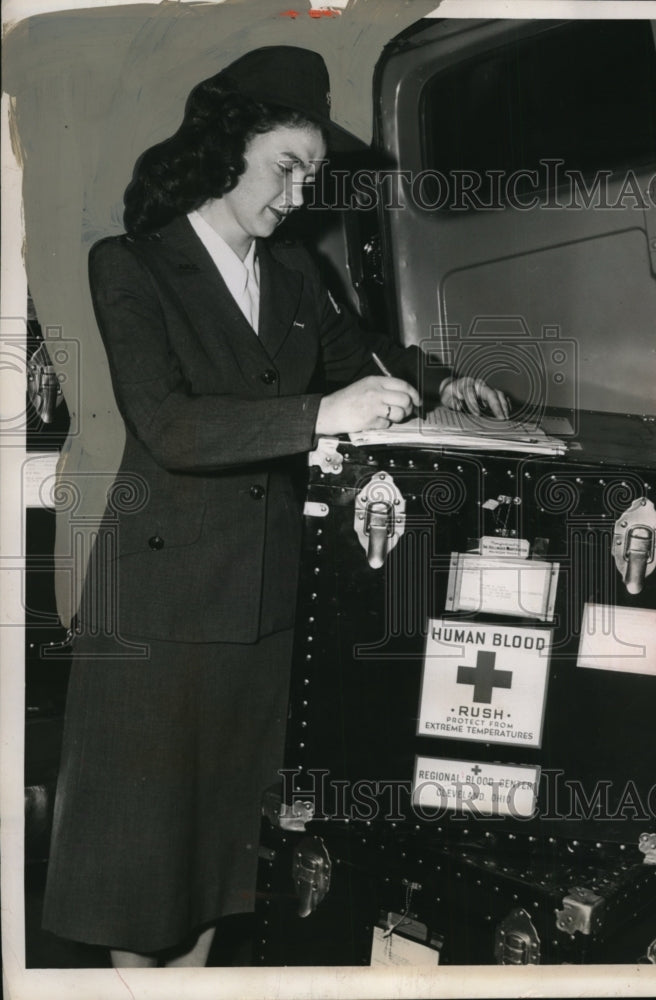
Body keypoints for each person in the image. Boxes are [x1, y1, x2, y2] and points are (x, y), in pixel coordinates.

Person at [41, 46, 510, 968]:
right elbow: (168, 425)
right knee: (142, 875)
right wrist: (321, 414)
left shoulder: (292, 273)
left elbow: (364, 354)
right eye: (285, 168)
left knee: (220, 864)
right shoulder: (132, 265)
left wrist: (443, 381)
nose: (299, 195)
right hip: (162, 614)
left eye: (312, 175)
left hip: (264, 606)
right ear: (225, 152)